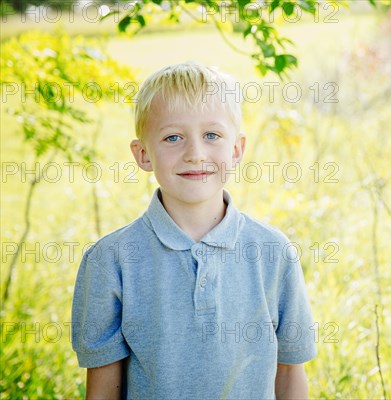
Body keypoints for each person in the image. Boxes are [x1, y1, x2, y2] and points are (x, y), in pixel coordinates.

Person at [71, 62, 317, 399]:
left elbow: (289, 371)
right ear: (143, 154)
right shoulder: (110, 260)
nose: (195, 154)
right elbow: (103, 387)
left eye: (211, 135)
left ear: (237, 150)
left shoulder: (272, 251)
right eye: (173, 137)